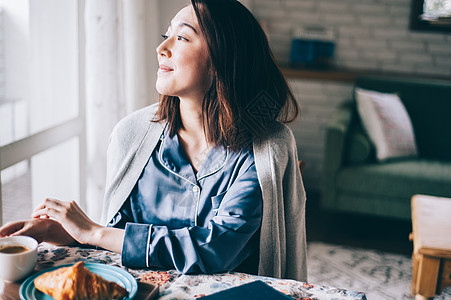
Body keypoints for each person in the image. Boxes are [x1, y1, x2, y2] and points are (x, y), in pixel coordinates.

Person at [0, 0, 307, 281]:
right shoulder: (131, 135)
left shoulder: (265, 149)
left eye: (182, 38)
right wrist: (70, 233)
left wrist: (93, 232)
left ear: (222, 60)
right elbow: (120, 239)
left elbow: (217, 247)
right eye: (166, 34)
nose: (162, 47)